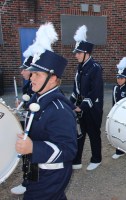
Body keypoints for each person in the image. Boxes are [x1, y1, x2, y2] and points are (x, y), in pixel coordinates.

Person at [15, 22, 77, 200]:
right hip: (36, 170)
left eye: (38, 75)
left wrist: (33, 147)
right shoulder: (38, 99)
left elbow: (68, 149)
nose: (32, 78)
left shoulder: (59, 110)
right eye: (32, 73)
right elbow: (37, 128)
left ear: (53, 79)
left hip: (51, 175)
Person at [70, 25, 104, 171]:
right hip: (80, 106)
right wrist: (71, 102)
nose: (76, 55)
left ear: (86, 53)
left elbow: (94, 92)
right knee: (79, 133)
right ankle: (77, 160)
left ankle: (96, 159)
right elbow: (76, 88)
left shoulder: (95, 68)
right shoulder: (81, 66)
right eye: (76, 53)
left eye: (78, 53)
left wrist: (81, 106)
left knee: (93, 133)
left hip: (92, 107)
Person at [11, 46, 35, 195]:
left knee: (30, 155)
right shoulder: (28, 87)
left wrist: (25, 105)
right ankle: (28, 181)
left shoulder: (36, 87)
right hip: (28, 122)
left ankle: (29, 183)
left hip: (34, 127)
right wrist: (21, 105)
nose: (22, 72)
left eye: (24, 69)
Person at [111, 57, 126, 159]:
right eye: (118, 77)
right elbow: (114, 102)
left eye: (121, 78)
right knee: (117, 132)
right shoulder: (115, 88)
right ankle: (119, 150)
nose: (119, 80)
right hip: (117, 114)